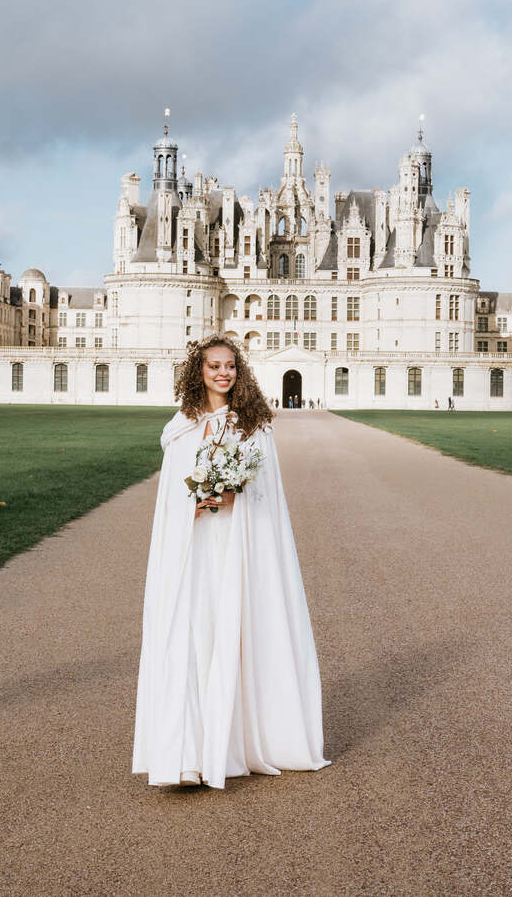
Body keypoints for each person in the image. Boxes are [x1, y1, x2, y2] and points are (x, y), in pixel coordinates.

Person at [132, 334, 329, 788]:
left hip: (233, 540)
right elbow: (170, 492)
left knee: (232, 627)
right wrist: (193, 505)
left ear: (239, 372)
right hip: (196, 542)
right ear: (197, 372)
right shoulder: (181, 425)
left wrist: (229, 495)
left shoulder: (253, 425)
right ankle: (189, 753)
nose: (223, 373)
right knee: (194, 628)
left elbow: (265, 492)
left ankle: (230, 743)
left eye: (230, 366)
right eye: (213, 366)